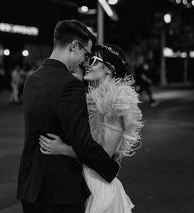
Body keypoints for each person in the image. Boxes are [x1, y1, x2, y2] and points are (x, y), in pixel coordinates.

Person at [17, 20, 120, 213]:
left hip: (29, 184)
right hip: (59, 189)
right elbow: (83, 143)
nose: (85, 61)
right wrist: (111, 169)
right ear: (74, 46)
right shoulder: (69, 85)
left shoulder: (32, 79)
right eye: (86, 54)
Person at [39, 43, 143, 213]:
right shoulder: (91, 99)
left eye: (93, 60)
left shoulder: (115, 102)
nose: (87, 64)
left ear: (109, 69)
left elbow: (103, 155)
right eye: (87, 59)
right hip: (81, 182)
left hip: (98, 189)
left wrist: (63, 149)